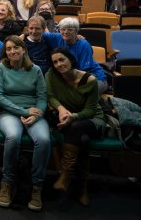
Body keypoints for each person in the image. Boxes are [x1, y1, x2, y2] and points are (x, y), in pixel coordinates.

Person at [0, 36, 50, 212]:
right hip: (9, 112)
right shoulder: (0, 68)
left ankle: (37, 187)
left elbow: (42, 97)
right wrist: (23, 112)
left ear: (23, 49)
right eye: (8, 49)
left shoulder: (36, 70)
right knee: (13, 137)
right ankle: (7, 182)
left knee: (44, 140)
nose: (12, 52)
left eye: (15, 48)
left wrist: (36, 115)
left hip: (33, 113)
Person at [46, 47, 106, 206]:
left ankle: (66, 175)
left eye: (62, 59)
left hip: (92, 120)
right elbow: (50, 96)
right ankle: (82, 188)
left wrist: (74, 116)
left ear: (71, 60)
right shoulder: (52, 75)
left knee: (77, 128)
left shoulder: (90, 80)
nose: (59, 64)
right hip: (67, 119)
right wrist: (60, 108)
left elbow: (91, 110)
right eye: (55, 62)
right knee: (83, 141)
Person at [43, 17, 108, 95]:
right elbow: (37, 33)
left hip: (94, 78)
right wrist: (24, 35)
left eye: (70, 29)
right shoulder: (57, 37)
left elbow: (84, 72)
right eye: (63, 29)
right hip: (70, 78)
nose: (65, 32)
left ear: (76, 31)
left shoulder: (84, 45)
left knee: (79, 95)